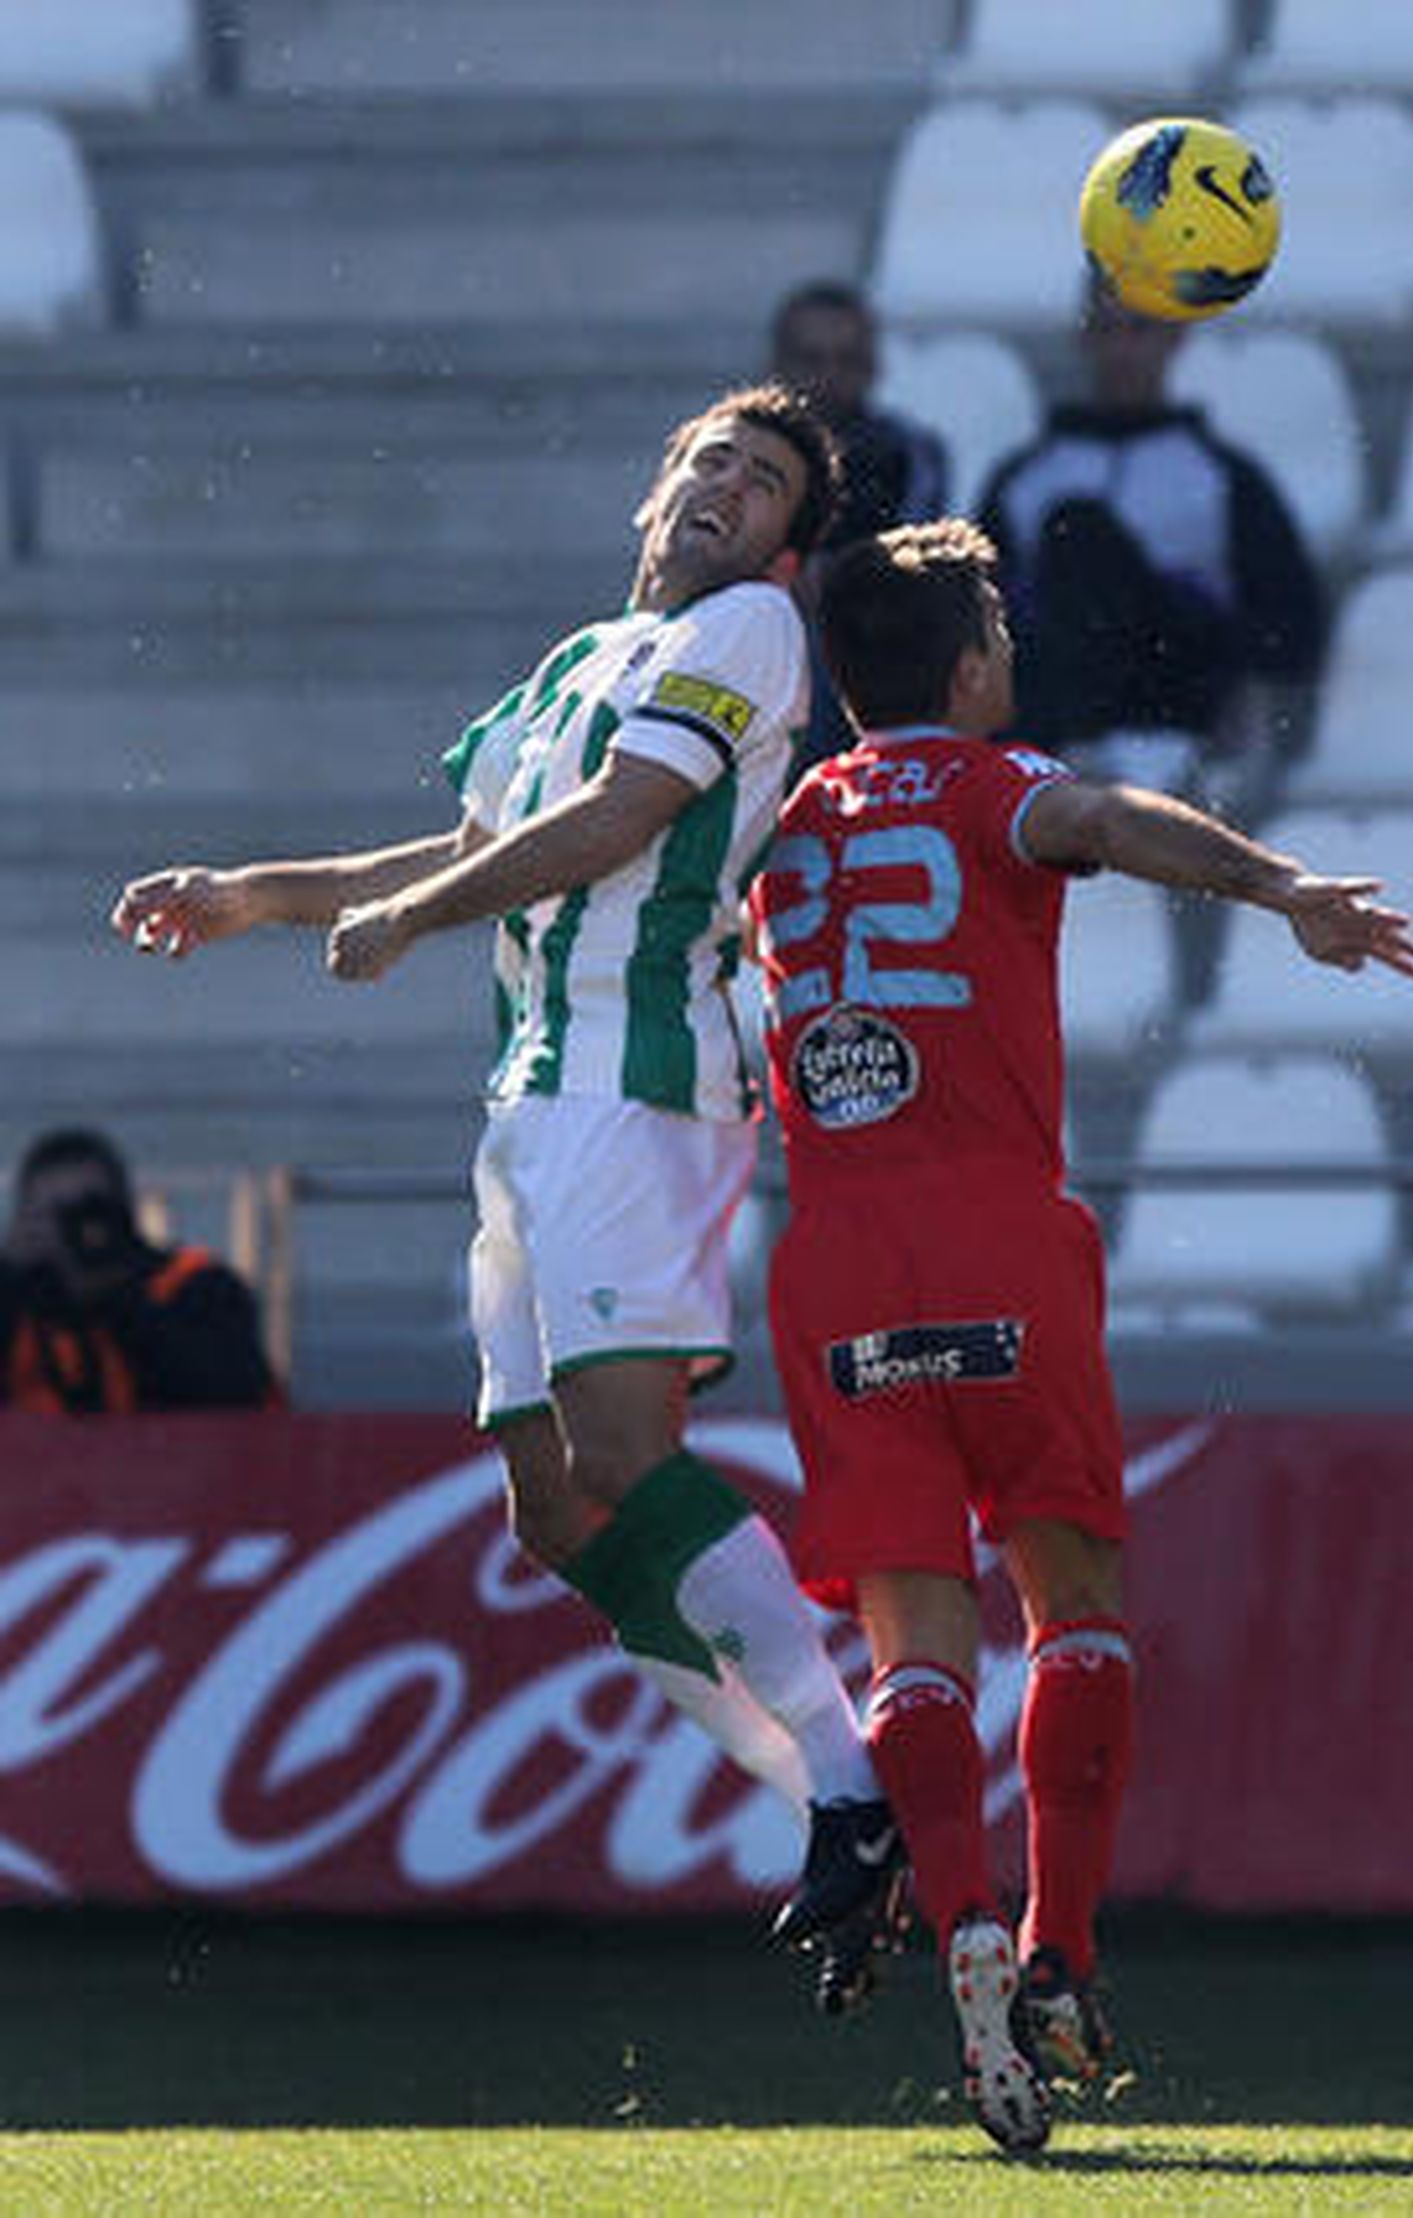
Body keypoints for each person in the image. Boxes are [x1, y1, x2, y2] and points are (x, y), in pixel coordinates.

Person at [111, 385, 901, 1995]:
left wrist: (416, 923)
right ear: (654, 485)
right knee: (553, 1513)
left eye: (763, 487)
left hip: (638, 1078)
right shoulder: (571, 663)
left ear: (784, 549)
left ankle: (856, 1785)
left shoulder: (752, 630)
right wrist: (254, 892)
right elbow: (468, 835)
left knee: (621, 1448)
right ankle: (842, 1804)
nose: (729, 494)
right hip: (533, 1095)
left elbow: (618, 822)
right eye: (711, 465)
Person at [749, 520, 1413, 2152]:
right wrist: (1279, 886)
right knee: (1073, 1606)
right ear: (973, 668)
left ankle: (959, 1914)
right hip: (998, 1229)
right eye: (997, 628)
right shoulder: (990, 786)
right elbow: (1108, 818)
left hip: (837, 1255)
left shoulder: (771, 820)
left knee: (915, 1638)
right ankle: (1058, 1945)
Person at [977, 277, 1326, 801]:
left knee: (1081, 535)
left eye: (1140, 330)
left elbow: (1294, 633)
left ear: (1175, 338)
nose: (1122, 351)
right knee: (1072, 538)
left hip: (1174, 695)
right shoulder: (1025, 479)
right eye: (1108, 330)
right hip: (1054, 706)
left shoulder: (1224, 477)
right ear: (1085, 337)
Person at [768, 279, 949, 769]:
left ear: (873, 367)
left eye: (847, 360)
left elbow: (904, 567)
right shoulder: (742, 452)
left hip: (859, 646)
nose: (829, 376)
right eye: (812, 359)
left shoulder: (908, 451)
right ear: (780, 365)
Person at [0, 1127, 277, 1412]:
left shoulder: (191, 1285)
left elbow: (230, 1392)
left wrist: (121, 1299)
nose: (75, 1230)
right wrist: (10, 1273)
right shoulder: (18, 1302)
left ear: (123, 1212)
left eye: (90, 1211)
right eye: (53, 1214)